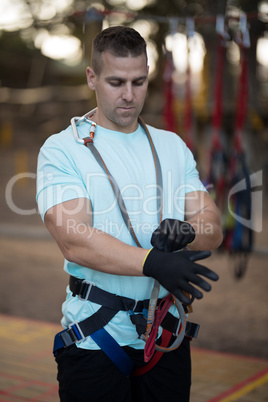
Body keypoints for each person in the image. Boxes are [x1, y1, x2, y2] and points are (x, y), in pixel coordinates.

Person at [36, 25, 223, 402]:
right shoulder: (63, 149)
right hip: (94, 339)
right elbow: (74, 239)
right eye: (116, 82)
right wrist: (153, 261)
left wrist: (187, 230)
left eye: (139, 82)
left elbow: (213, 225)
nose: (128, 95)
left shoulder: (172, 146)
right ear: (92, 78)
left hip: (165, 333)